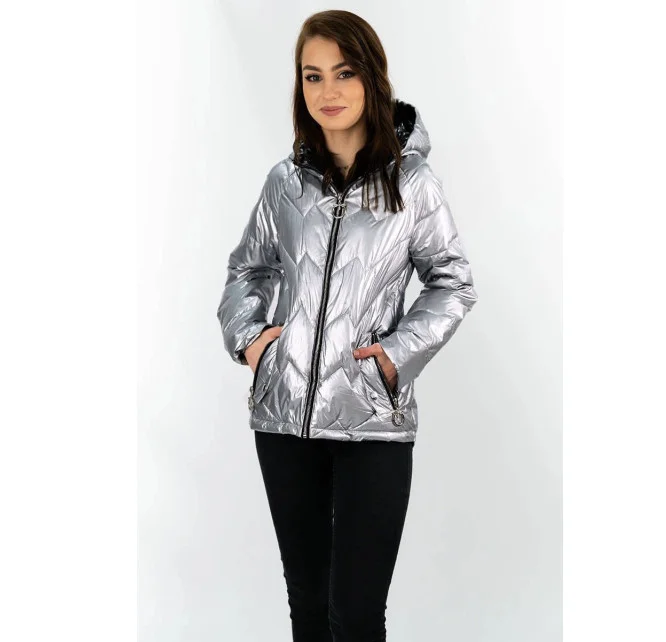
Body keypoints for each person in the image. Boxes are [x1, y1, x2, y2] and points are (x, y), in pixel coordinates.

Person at [216, 10, 478, 641]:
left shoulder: (411, 183)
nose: (327, 91)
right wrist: (252, 342)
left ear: (372, 78)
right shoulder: (284, 183)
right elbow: (246, 270)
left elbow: (452, 281)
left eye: (344, 72)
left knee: (356, 616)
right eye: (313, 76)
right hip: (284, 423)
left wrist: (393, 356)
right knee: (308, 609)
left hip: (372, 424)